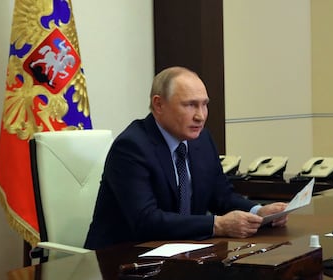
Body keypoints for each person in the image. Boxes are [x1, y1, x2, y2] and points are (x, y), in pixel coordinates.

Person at [84, 66, 288, 250]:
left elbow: (222, 197)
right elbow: (145, 221)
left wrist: (259, 211)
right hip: (122, 259)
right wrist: (217, 225)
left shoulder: (201, 139)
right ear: (158, 105)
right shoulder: (132, 147)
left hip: (184, 253)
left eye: (204, 105)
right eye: (190, 105)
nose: (200, 116)